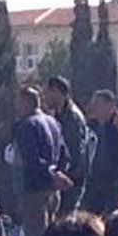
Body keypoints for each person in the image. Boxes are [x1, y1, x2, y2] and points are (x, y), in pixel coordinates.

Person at [10, 84, 71, 236]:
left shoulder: (26, 125)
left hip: (34, 187)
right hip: (53, 190)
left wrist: (49, 173)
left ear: (26, 102)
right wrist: (59, 174)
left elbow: (32, 158)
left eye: (18, 101)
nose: (15, 106)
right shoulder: (53, 122)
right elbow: (64, 153)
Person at [79, 89, 118, 216]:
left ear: (110, 105)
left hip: (115, 182)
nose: (94, 108)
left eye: (97, 104)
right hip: (97, 182)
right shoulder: (95, 126)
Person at [41, 75, 91, 204]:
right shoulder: (58, 115)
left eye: (47, 92)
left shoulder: (71, 117)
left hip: (71, 180)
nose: (44, 97)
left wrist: (64, 174)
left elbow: (73, 150)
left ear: (57, 92)